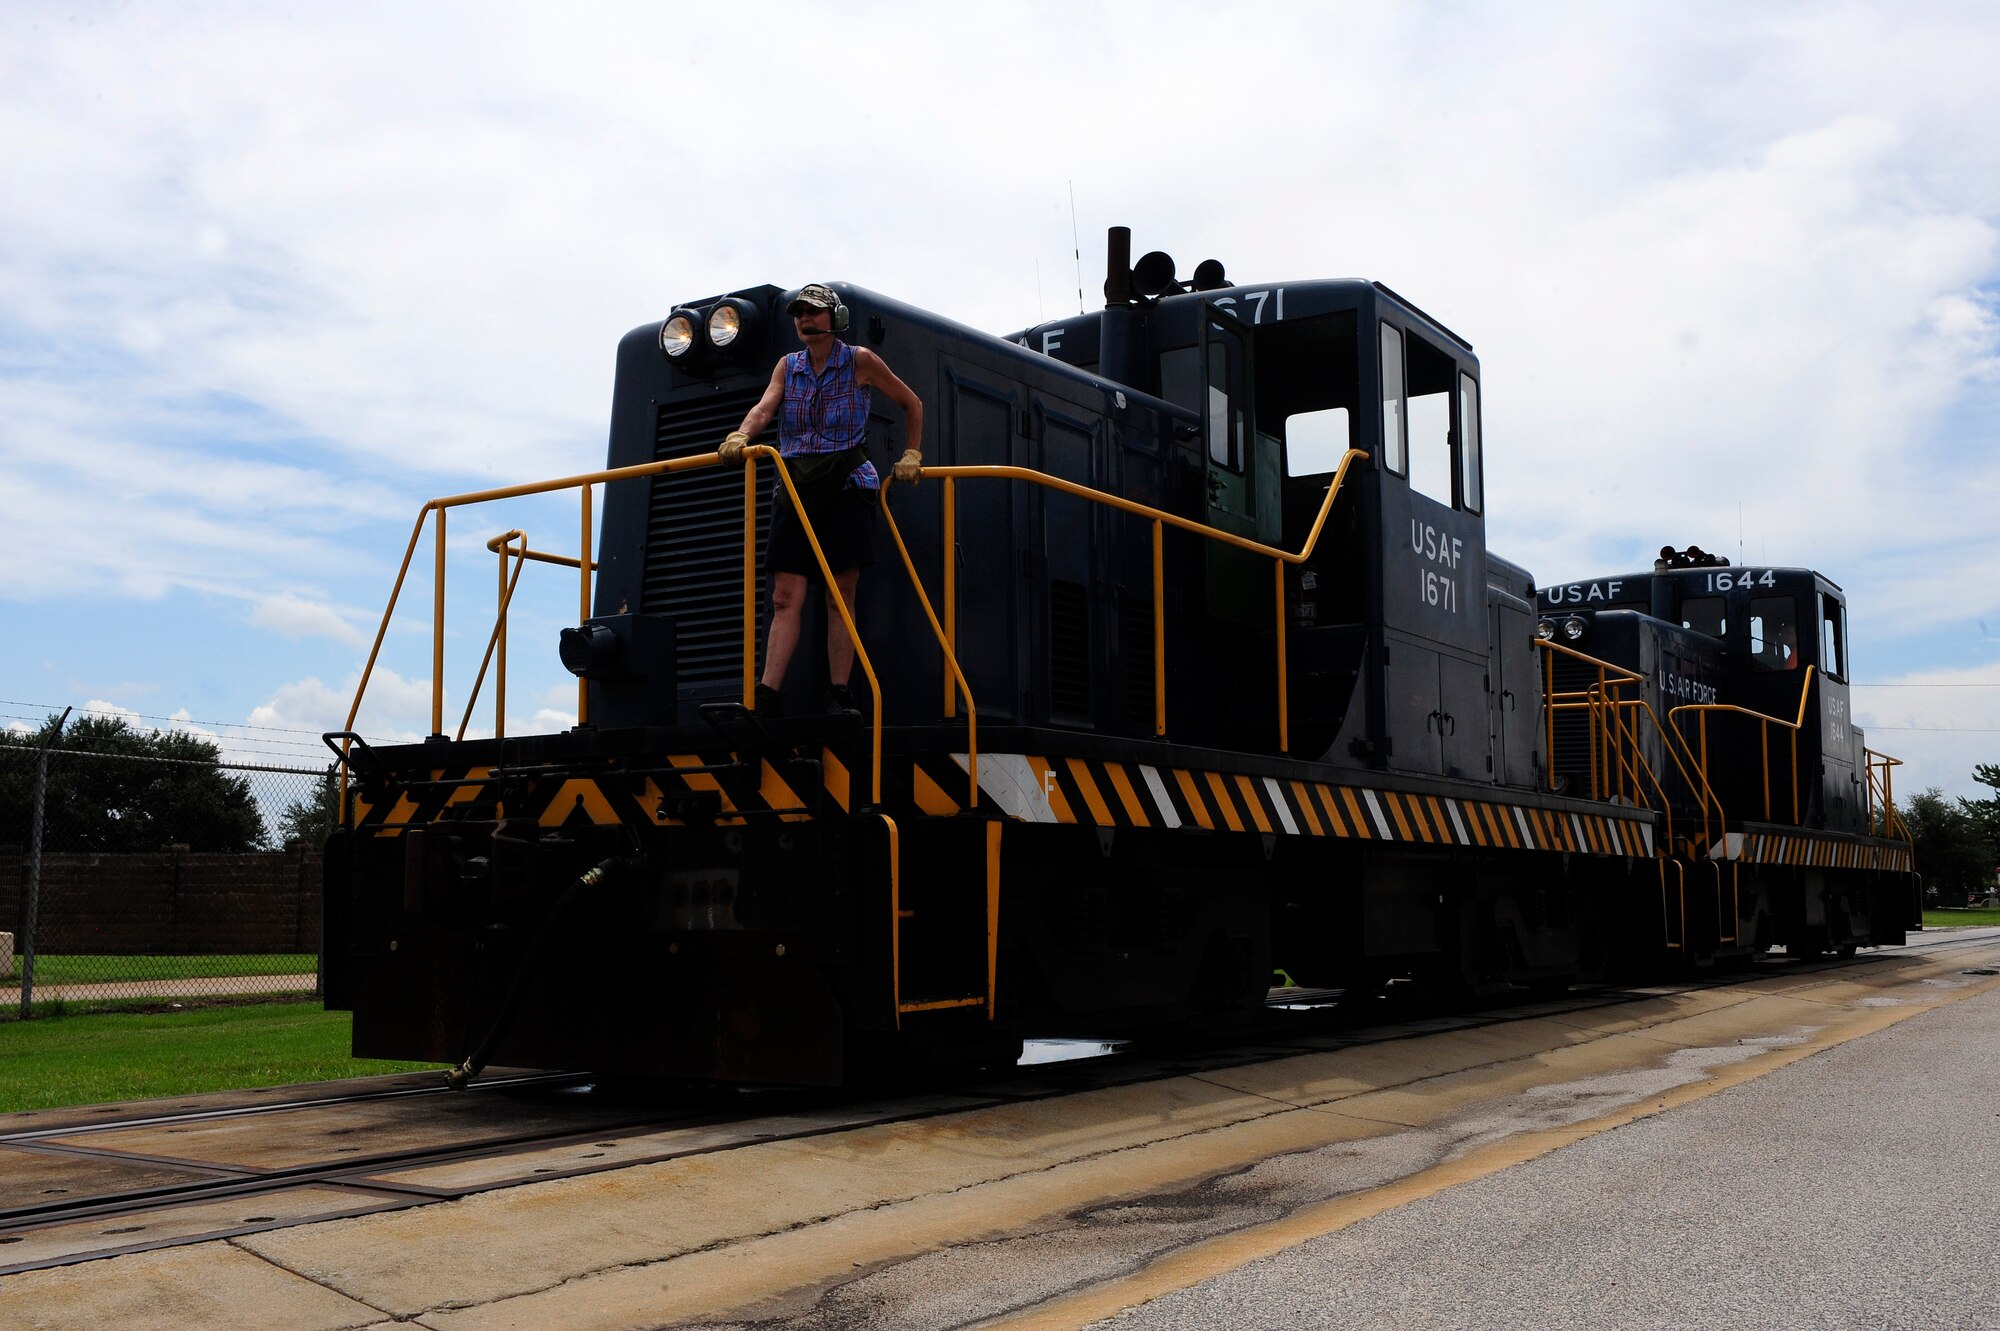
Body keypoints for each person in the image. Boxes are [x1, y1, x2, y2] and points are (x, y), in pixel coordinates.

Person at [719, 284, 924, 716]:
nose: (805, 320)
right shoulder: (787, 366)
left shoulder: (860, 362)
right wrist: (742, 433)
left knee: (838, 593)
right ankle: (768, 697)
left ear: (836, 319)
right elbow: (765, 406)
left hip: (847, 485)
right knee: (784, 596)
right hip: (795, 488)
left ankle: (839, 695)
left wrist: (912, 453)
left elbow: (912, 402)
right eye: (799, 314)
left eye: (814, 312)